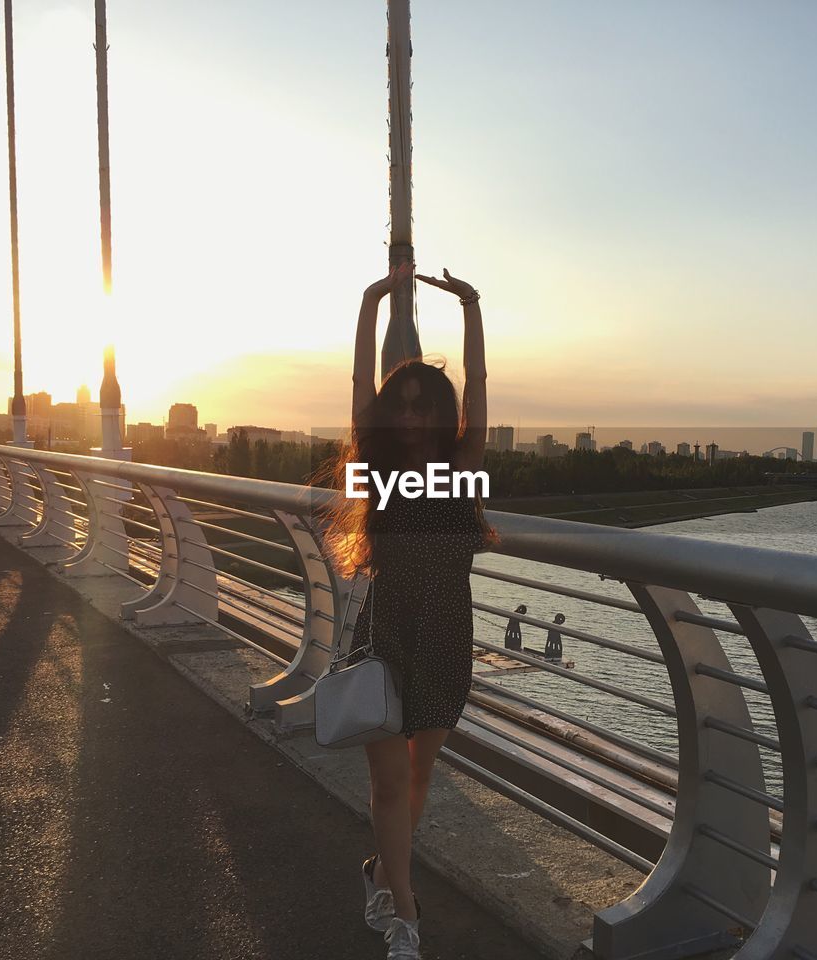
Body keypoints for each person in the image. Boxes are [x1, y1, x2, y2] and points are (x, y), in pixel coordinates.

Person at [315, 261, 501, 959]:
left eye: (427, 403)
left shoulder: (465, 464)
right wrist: (368, 305)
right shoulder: (378, 467)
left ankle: (379, 873)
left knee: (419, 774)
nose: (414, 413)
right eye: (405, 402)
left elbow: (479, 386)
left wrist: (472, 307)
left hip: (449, 633)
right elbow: (360, 386)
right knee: (390, 783)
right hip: (387, 630)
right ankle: (405, 918)